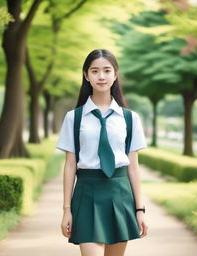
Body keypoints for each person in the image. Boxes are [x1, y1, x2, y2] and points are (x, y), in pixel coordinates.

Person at [56, 49, 148, 256]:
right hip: (87, 193)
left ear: (115, 74)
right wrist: (66, 210)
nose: (101, 76)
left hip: (120, 195)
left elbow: (133, 167)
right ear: (86, 75)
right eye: (95, 71)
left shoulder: (130, 118)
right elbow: (70, 165)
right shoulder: (74, 118)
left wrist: (140, 210)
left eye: (107, 70)